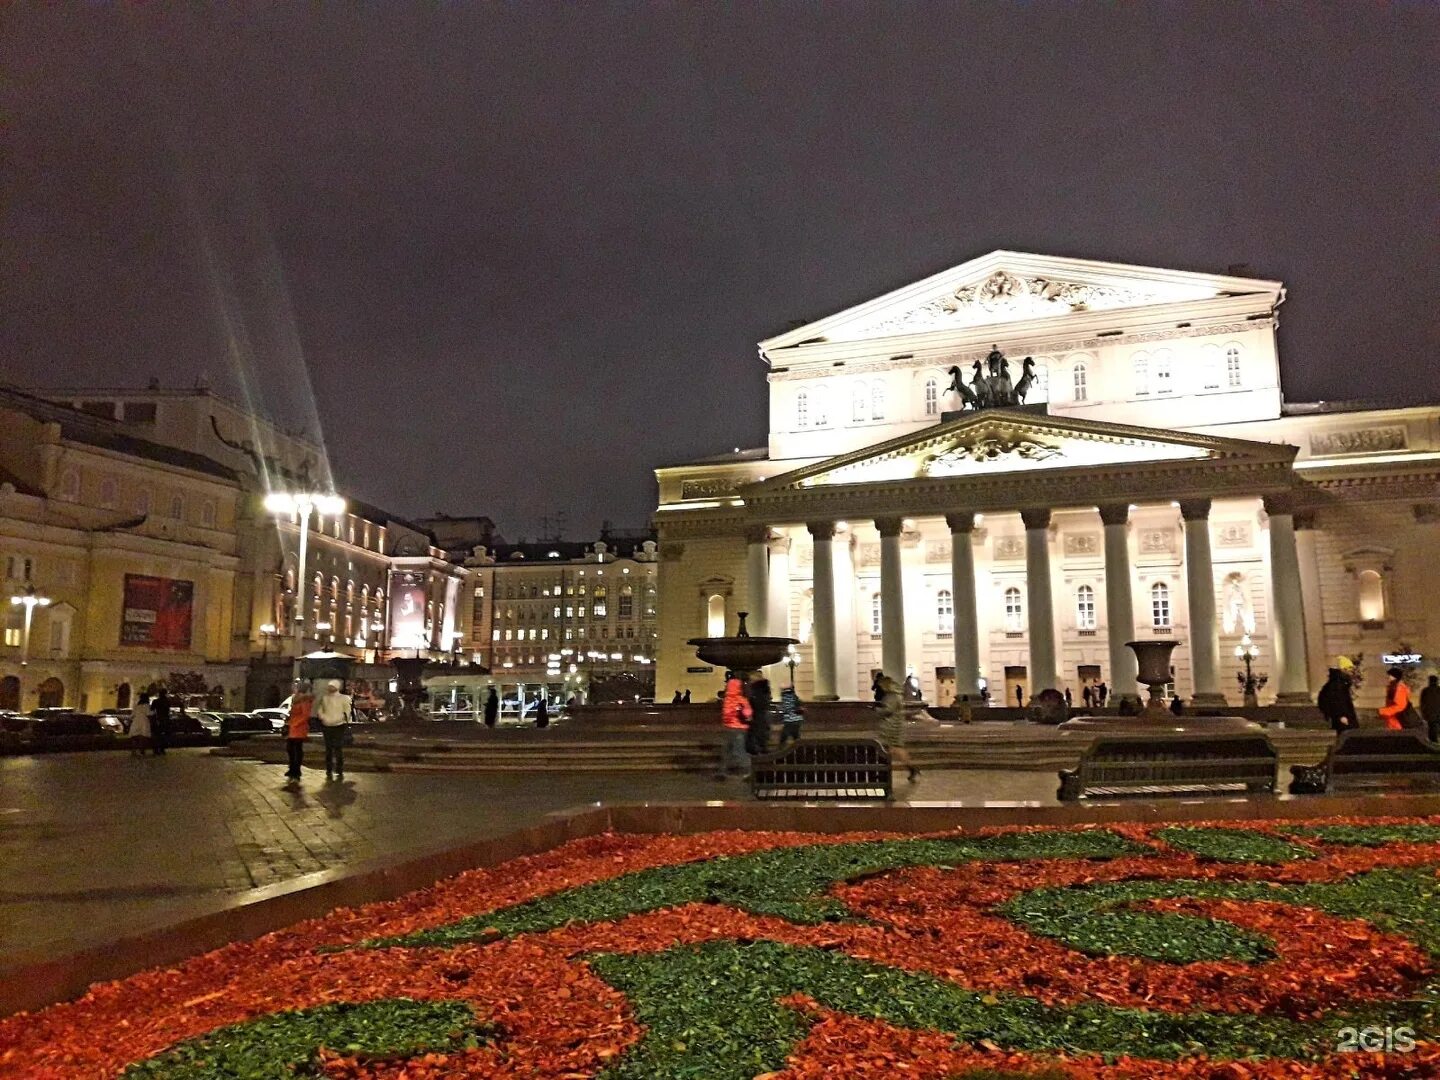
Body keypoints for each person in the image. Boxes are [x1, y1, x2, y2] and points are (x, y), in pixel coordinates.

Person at [876, 675, 919, 782]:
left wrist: (877, 710)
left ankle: (911, 769)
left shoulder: (892, 696)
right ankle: (885, 772)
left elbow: (888, 710)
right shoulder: (896, 695)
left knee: (895, 748)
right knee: (891, 748)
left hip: (892, 725)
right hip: (895, 724)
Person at [716, 672, 752, 779]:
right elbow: (748, 713)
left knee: (728, 749)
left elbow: (726, 715)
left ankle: (723, 771)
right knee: (739, 750)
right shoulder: (741, 699)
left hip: (729, 727)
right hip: (740, 728)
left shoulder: (727, 700)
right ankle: (748, 771)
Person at [316, 679, 353, 781]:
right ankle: (329, 769)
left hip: (338, 725)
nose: (329, 688)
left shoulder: (344, 698)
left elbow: (347, 711)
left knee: (338, 748)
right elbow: (320, 709)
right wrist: (323, 717)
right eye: (329, 686)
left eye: (332, 686)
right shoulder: (325, 698)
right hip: (327, 725)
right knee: (329, 749)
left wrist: (344, 720)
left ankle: (339, 769)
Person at [285, 685, 314, 780]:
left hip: (299, 728)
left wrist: (294, 723)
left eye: (295, 687)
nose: (293, 689)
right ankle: (292, 768)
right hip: (293, 727)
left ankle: (296, 770)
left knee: (296, 749)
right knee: (290, 749)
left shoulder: (304, 700)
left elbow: (305, 715)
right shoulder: (296, 699)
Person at [1317, 667, 1358, 733]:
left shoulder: (1330, 686)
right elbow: (1339, 702)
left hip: (1339, 716)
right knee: (1347, 732)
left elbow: (1323, 701)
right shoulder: (1337, 686)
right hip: (1343, 715)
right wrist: (1341, 715)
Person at [1378, 667, 1414, 731]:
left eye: (1390, 675)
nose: (1388, 677)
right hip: (1394, 721)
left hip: (1399, 722)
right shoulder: (1393, 687)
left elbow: (1400, 706)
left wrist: (1383, 711)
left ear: (1395, 677)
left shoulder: (1399, 688)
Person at [746, 675, 772, 756]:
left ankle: (756, 749)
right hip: (762, 715)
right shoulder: (764, 690)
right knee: (761, 732)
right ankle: (762, 748)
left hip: (757, 716)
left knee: (755, 732)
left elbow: (756, 704)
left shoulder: (756, 691)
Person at [129, 691, 152, 756]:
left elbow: (132, 714)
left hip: (136, 721)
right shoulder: (146, 705)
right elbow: (148, 714)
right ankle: (142, 751)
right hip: (144, 721)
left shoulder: (136, 705)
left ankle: (133, 751)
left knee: (134, 736)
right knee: (143, 737)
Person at [150, 687, 170, 756]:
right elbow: (168, 710)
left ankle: (156, 750)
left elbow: (152, 709)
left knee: (157, 735)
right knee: (164, 735)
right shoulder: (168, 701)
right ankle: (162, 749)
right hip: (165, 719)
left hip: (158, 719)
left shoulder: (156, 701)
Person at [1421, 675, 1440, 743]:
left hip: (1430, 713)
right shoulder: (1438, 690)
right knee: (1435, 727)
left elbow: (1422, 703)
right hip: (1437, 713)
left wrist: (1423, 713)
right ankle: (1434, 741)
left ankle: (1433, 741)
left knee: (1432, 727)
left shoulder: (1425, 690)